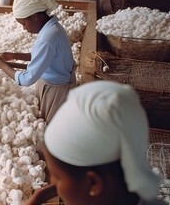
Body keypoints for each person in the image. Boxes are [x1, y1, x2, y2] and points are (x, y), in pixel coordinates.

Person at [23, 81, 164, 205]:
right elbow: (77, 177)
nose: (52, 183)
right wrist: (40, 195)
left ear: (93, 184)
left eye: (58, 178)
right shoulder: (125, 188)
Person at [0, 0, 75, 122]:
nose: (24, 28)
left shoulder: (47, 38)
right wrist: (15, 56)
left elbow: (27, 79)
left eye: (24, 23)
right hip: (58, 81)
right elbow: (44, 56)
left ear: (35, 16)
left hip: (56, 89)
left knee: (52, 126)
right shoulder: (53, 29)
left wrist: (3, 66)